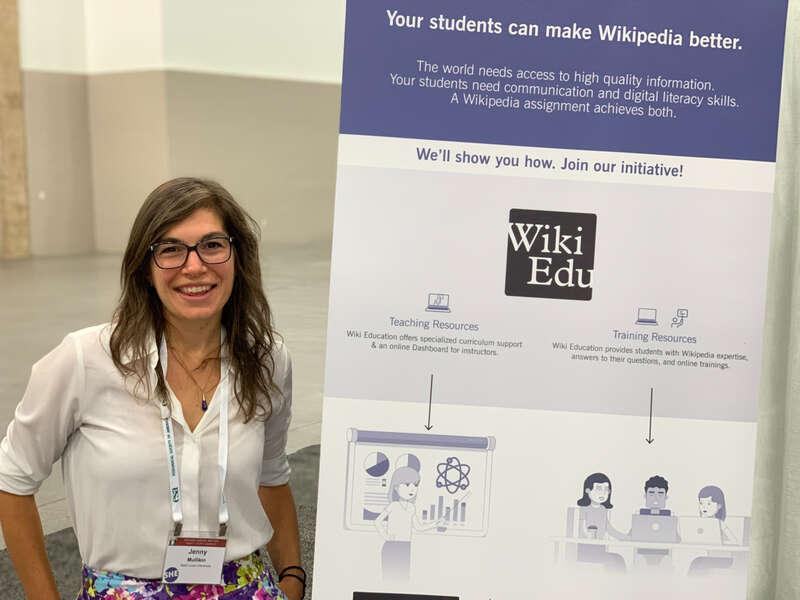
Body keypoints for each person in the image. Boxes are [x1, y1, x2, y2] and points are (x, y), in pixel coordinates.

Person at [0, 178, 305, 599]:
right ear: (145, 267)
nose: (194, 266)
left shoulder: (267, 359)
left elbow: (273, 474)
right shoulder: (84, 360)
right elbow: (12, 481)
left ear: (238, 256)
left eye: (213, 245)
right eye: (171, 249)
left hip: (245, 586)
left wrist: (292, 577)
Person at [373, 466, 441, 581]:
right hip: (392, 546)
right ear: (395, 487)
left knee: (403, 578)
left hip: (405, 546)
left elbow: (419, 527)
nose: (412, 489)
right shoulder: (393, 506)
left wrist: (435, 524)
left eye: (415, 485)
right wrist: (386, 536)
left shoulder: (411, 507)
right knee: (389, 579)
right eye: (407, 485)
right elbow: (377, 521)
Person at [575, 472, 627, 573]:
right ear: (588, 491)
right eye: (598, 489)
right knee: (611, 561)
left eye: (606, 490)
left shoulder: (603, 509)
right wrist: (591, 538)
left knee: (618, 559)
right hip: (585, 549)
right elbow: (581, 530)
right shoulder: (582, 509)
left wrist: (625, 538)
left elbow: (609, 529)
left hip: (599, 548)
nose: (603, 493)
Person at [688, 485, 737, 575]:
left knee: (697, 564)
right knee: (696, 563)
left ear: (719, 506)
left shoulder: (720, 524)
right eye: (701, 503)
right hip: (708, 556)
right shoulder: (701, 525)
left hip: (723, 558)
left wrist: (724, 541)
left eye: (709, 504)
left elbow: (734, 541)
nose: (704, 507)